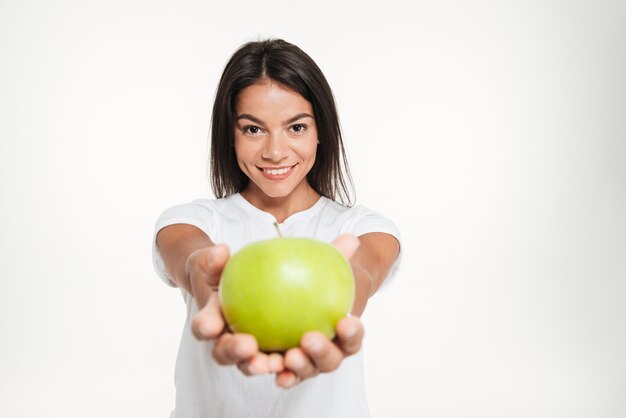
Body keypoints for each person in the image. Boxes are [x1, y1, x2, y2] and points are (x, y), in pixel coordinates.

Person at [152, 38, 401, 418]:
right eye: (253, 130)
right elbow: (190, 258)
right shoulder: (192, 221)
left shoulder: (364, 228)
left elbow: (363, 271)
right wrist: (207, 281)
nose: (275, 151)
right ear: (230, 136)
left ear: (321, 131)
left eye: (296, 128)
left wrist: (339, 307)